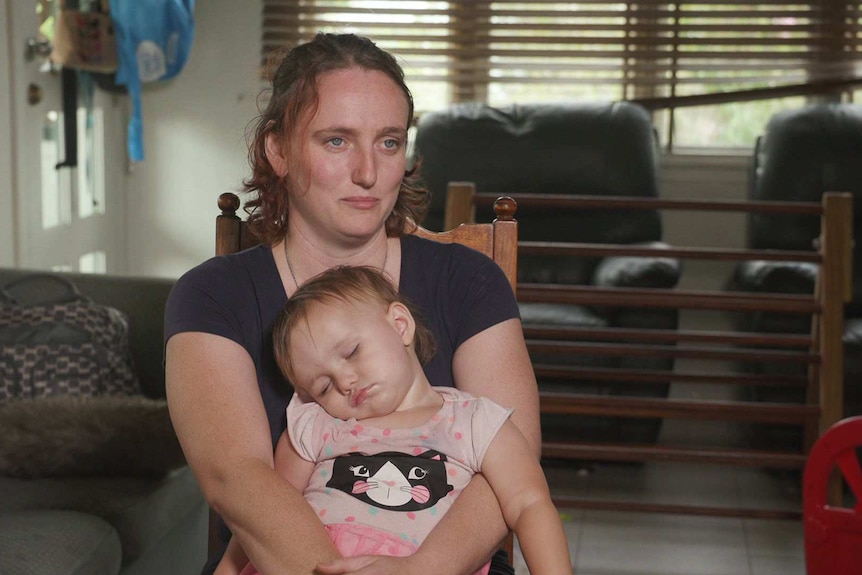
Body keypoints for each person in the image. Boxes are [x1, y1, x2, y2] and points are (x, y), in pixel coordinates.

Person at [164, 32, 540, 575]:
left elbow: (516, 453)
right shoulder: (212, 296)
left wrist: (421, 570)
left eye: (388, 142)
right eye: (336, 141)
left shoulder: (469, 281)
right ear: (279, 150)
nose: (368, 172)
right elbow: (236, 478)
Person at [214, 266, 571, 575]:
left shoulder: (475, 421)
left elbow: (529, 504)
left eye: (352, 352)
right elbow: (261, 518)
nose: (344, 381)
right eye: (323, 386)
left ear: (400, 325)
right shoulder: (317, 425)